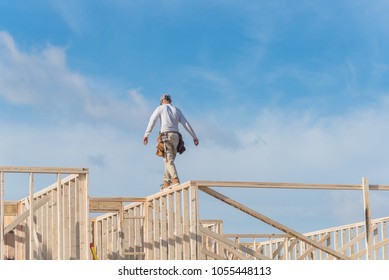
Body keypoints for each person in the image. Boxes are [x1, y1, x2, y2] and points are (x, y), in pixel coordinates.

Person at [143, 94, 199, 190]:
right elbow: (186, 124)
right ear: (170, 100)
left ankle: (175, 179)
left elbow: (152, 121)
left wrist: (146, 134)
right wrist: (194, 136)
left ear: (162, 101)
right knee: (170, 160)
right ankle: (166, 182)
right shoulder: (177, 110)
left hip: (166, 136)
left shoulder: (160, 108)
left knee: (168, 159)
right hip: (176, 137)